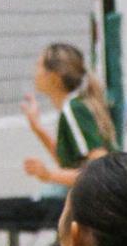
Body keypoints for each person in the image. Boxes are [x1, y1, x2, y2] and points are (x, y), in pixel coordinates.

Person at [23, 43, 117, 189]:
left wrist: (49, 175)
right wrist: (37, 128)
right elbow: (68, 165)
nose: (35, 72)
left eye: (39, 66)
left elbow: (101, 173)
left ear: (54, 76)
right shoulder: (72, 107)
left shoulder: (74, 109)